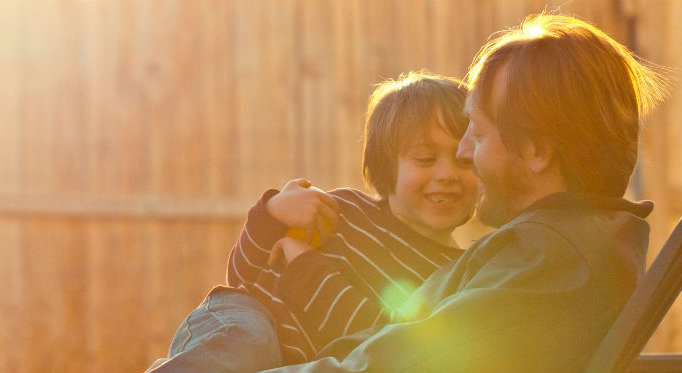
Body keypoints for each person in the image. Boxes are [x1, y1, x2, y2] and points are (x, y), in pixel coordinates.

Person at [256, 13, 671, 373]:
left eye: (478, 132)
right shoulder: (557, 246)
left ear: (537, 152)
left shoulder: (552, 261)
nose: (463, 152)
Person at [148, 71, 480, 372]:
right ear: (385, 168)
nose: (446, 174)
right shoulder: (341, 212)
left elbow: (380, 339)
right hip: (246, 317)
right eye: (425, 159)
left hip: (295, 362)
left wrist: (306, 268)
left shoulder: (454, 275)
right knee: (250, 346)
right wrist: (273, 214)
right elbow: (242, 274)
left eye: (464, 160)